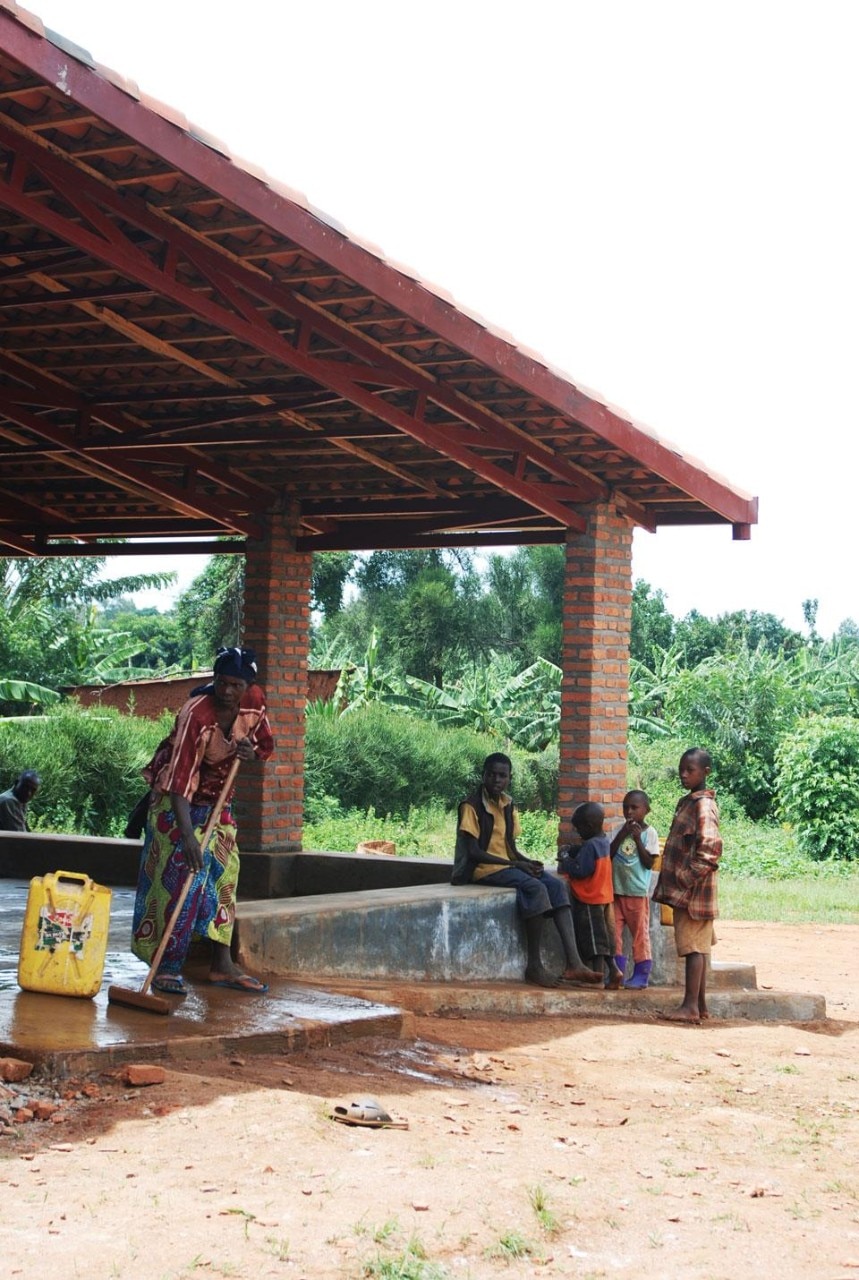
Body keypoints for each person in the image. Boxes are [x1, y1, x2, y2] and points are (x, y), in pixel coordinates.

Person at [131, 646, 274, 997]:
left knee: (224, 874)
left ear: (247, 686)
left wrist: (250, 753)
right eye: (221, 683)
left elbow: (265, 745)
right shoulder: (196, 714)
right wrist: (189, 838)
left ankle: (221, 965)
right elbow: (179, 782)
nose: (227, 692)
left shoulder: (255, 702)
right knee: (183, 877)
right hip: (174, 805)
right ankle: (167, 967)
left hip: (218, 802)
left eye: (235, 685)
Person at [452, 753, 600, 988]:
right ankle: (534, 965)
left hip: (505, 865)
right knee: (535, 888)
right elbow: (474, 852)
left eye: (502, 776)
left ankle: (574, 963)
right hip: (482, 869)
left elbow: (510, 847)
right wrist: (515, 865)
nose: (496, 780)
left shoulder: (508, 805)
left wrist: (526, 861)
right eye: (491, 774)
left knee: (557, 885)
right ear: (483, 775)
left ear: (509, 778)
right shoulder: (471, 806)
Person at [653, 747, 722, 1024]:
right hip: (690, 893)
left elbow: (710, 849)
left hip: (693, 894)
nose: (684, 774)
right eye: (681, 769)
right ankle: (700, 1005)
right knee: (700, 948)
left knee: (693, 948)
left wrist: (685, 878)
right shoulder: (688, 802)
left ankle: (690, 1007)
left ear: (705, 773)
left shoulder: (703, 806)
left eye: (690, 770)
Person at [558, 802, 623, 989]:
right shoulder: (603, 841)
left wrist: (566, 860)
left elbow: (581, 870)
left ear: (588, 827)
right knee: (607, 940)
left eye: (579, 829)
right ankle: (615, 970)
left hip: (590, 898)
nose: (578, 833)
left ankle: (598, 978)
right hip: (605, 897)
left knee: (596, 942)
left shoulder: (590, 845)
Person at [609, 789, 659, 989]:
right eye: (625, 807)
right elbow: (609, 855)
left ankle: (641, 975)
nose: (629, 812)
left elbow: (649, 863)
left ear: (646, 810)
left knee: (640, 935)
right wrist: (622, 834)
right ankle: (616, 973)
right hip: (616, 892)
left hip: (637, 893)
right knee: (614, 934)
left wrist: (637, 839)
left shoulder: (650, 833)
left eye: (634, 808)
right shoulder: (617, 831)